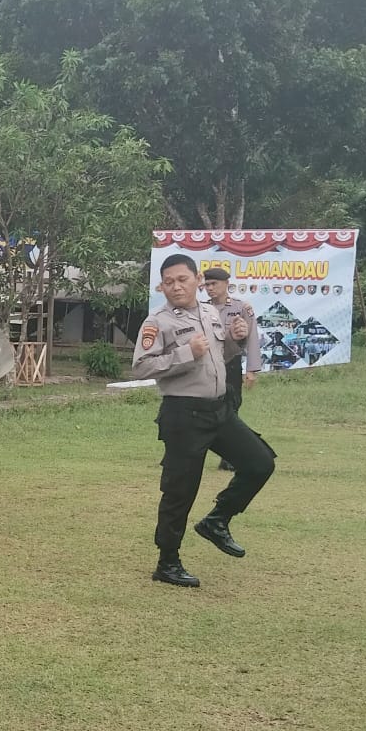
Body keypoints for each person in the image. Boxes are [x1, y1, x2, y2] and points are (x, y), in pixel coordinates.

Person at [132, 252, 277, 588]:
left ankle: (217, 519)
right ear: (162, 286)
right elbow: (141, 366)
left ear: (198, 280)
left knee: (260, 462)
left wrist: (237, 340)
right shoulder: (158, 322)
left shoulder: (211, 313)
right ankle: (167, 562)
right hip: (183, 415)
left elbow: (219, 355)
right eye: (168, 282)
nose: (175, 287)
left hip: (220, 410)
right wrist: (186, 353)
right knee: (180, 491)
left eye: (182, 279)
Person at [203, 265, 261, 470]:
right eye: (207, 284)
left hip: (231, 364)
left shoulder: (241, 308)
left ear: (227, 284)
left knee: (232, 406)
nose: (209, 288)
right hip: (206, 365)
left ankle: (229, 457)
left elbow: (252, 337)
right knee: (201, 407)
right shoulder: (201, 308)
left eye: (214, 284)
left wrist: (252, 369)